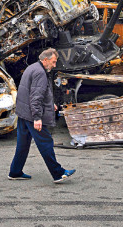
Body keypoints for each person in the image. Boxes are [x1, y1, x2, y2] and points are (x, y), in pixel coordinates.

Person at [8, 48, 76, 183]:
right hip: (32, 115)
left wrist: (51, 104)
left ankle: (15, 172)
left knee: (23, 144)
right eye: (53, 62)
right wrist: (37, 118)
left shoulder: (32, 68)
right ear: (45, 60)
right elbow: (36, 98)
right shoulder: (40, 73)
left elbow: (34, 93)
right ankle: (58, 173)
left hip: (23, 113)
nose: (55, 65)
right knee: (46, 143)